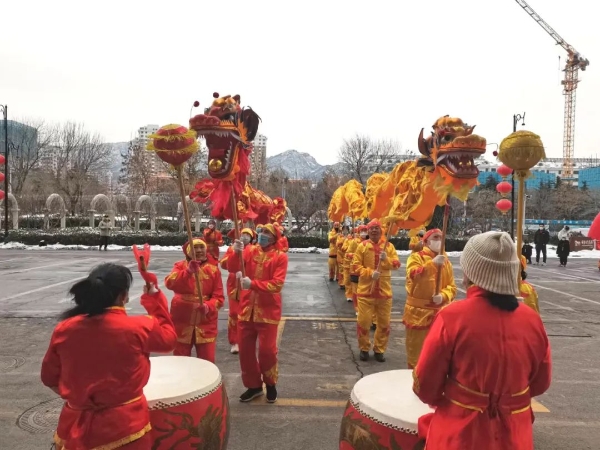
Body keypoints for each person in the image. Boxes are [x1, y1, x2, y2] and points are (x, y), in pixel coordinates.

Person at [413, 231, 552, 450]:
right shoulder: (532, 320)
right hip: (515, 432)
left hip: (461, 433)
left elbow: (426, 385)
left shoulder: (452, 317)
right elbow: (541, 382)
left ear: (472, 272)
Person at [41, 263, 177, 450]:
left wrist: (82, 399)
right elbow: (169, 340)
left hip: (74, 423)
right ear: (123, 296)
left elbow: (49, 378)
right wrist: (154, 299)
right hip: (126, 427)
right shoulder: (139, 328)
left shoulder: (64, 329)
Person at [229, 224, 288, 403]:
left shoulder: (280, 257)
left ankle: (270, 384)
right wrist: (235, 252)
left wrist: (253, 284)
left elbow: (277, 284)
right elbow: (232, 267)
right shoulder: (250, 250)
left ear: (274, 237)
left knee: (267, 352)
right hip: (246, 309)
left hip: (268, 312)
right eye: (262, 232)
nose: (262, 235)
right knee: (245, 352)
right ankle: (253, 386)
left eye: (267, 233)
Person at [165, 238, 224, 363]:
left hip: (205, 322)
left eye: (201, 247)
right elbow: (170, 283)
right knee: (180, 361)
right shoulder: (179, 266)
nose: (199, 250)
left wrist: (208, 306)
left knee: (207, 361)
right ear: (188, 251)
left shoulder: (213, 270)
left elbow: (219, 298)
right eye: (195, 248)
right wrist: (187, 272)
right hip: (182, 320)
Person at [404, 228, 456, 369]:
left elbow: (452, 287)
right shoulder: (416, 257)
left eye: (441, 237)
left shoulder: (446, 262)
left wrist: (443, 295)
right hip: (418, 313)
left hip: (440, 313)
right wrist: (432, 264)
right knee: (416, 353)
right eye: (435, 237)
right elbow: (413, 275)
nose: (439, 240)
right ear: (426, 241)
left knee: (437, 354)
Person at [352, 219, 401, 362]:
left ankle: (379, 349)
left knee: (384, 324)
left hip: (384, 293)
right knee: (364, 322)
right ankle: (364, 348)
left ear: (382, 231)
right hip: (365, 292)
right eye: (371, 228)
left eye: (376, 228)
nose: (374, 230)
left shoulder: (389, 247)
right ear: (368, 231)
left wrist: (386, 260)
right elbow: (355, 266)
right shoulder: (362, 246)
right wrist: (369, 273)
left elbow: (396, 264)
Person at [221, 228, 256, 355]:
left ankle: (246, 341)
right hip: (233, 285)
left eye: (248, 235)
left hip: (247, 284)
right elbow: (223, 264)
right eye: (243, 234)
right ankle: (234, 341)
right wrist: (234, 254)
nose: (245, 236)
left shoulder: (254, 249)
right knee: (234, 313)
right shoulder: (232, 248)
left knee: (246, 314)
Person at [345, 225, 368, 308]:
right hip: (355, 269)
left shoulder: (370, 242)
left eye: (365, 231)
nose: (364, 233)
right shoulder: (354, 242)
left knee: (365, 289)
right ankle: (357, 308)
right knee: (355, 289)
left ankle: (364, 307)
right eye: (362, 231)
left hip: (366, 270)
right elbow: (347, 253)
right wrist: (353, 255)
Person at [336, 225, 350, 289]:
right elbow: (337, 244)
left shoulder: (350, 237)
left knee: (346, 270)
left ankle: (345, 282)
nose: (345, 231)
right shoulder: (340, 236)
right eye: (344, 229)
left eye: (346, 229)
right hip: (340, 254)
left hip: (347, 255)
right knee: (341, 269)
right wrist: (343, 239)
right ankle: (341, 283)